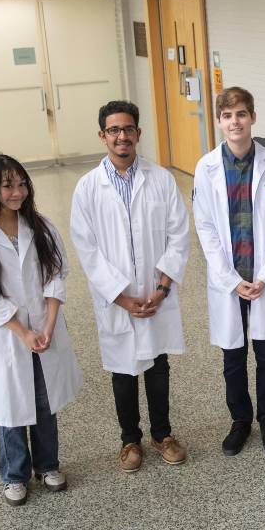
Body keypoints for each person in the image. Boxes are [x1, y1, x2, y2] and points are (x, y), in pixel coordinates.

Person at [0, 153, 83, 506]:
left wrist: (48, 323)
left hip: (45, 327)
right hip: (8, 335)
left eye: (22, 183)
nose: (18, 192)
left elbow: (58, 274)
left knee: (45, 401)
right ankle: (14, 475)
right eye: (8, 185)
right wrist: (22, 331)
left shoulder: (40, 226)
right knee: (10, 406)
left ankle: (48, 465)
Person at [70, 100, 190, 473]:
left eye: (129, 129)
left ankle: (163, 434)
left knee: (158, 364)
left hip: (156, 294)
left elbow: (179, 235)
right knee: (123, 369)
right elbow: (87, 249)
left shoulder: (161, 179)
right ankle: (129, 441)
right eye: (114, 130)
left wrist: (162, 288)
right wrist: (120, 296)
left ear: (138, 133)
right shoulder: (88, 188)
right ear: (103, 136)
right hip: (117, 300)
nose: (122, 136)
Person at [193, 87, 265, 456]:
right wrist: (230, 279)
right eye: (227, 115)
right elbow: (204, 227)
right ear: (219, 122)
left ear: (252, 117)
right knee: (232, 356)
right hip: (228, 280)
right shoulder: (206, 168)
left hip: (263, 278)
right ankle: (240, 421)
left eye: (241, 114)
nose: (235, 121)